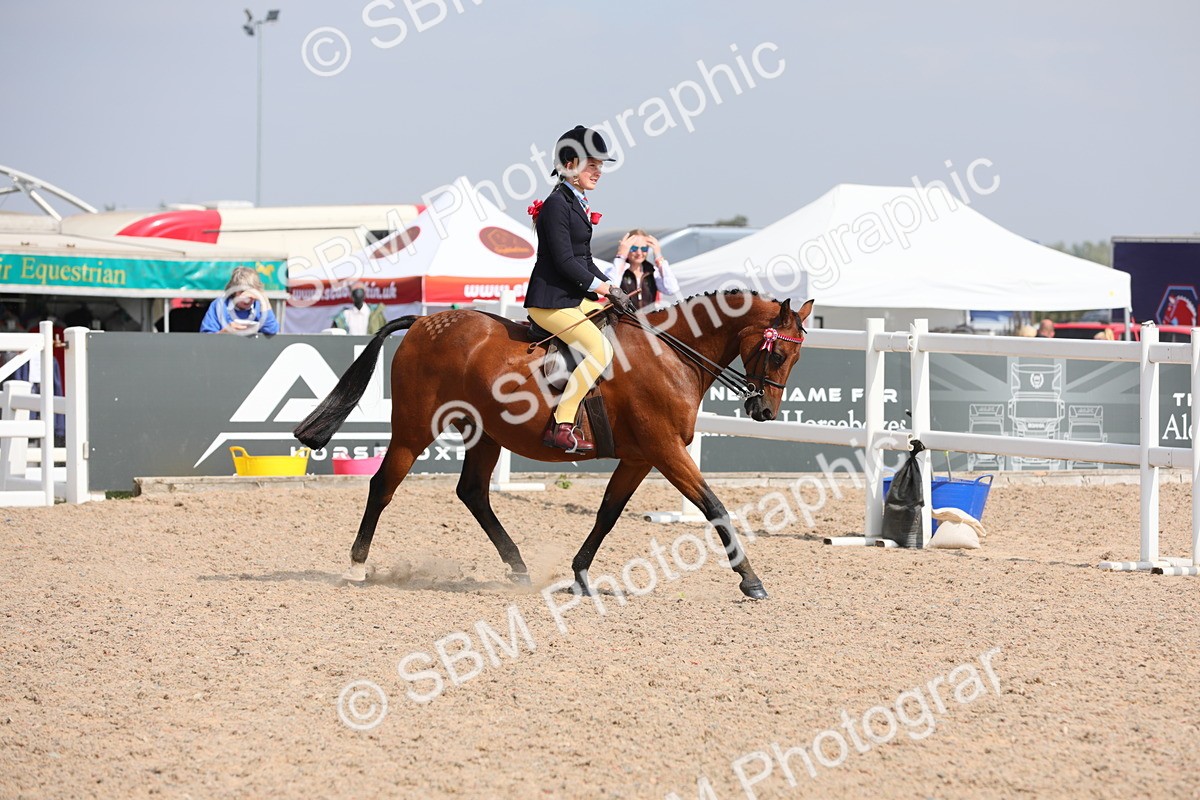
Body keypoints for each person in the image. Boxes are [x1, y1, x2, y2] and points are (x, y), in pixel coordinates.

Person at [524, 125, 636, 452]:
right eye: (592, 164)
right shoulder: (557, 205)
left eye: (600, 165)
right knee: (601, 351)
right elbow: (563, 262)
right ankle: (562, 425)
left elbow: (584, 258)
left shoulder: (578, 202)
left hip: (572, 298)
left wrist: (612, 289)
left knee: (620, 324)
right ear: (570, 164)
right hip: (550, 302)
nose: (598, 171)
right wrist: (602, 287)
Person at [607, 229, 680, 309]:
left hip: (649, 318)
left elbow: (672, 289)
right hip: (627, 320)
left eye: (644, 249)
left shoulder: (652, 271)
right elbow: (610, 290)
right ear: (626, 248)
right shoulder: (617, 271)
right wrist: (621, 256)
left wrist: (658, 256)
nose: (639, 252)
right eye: (634, 248)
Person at [200, 267, 279, 336]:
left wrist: (264, 301)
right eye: (242, 292)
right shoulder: (219, 305)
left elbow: (272, 331)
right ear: (234, 291)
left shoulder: (259, 305)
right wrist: (224, 332)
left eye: (251, 292)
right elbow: (205, 338)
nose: (247, 298)